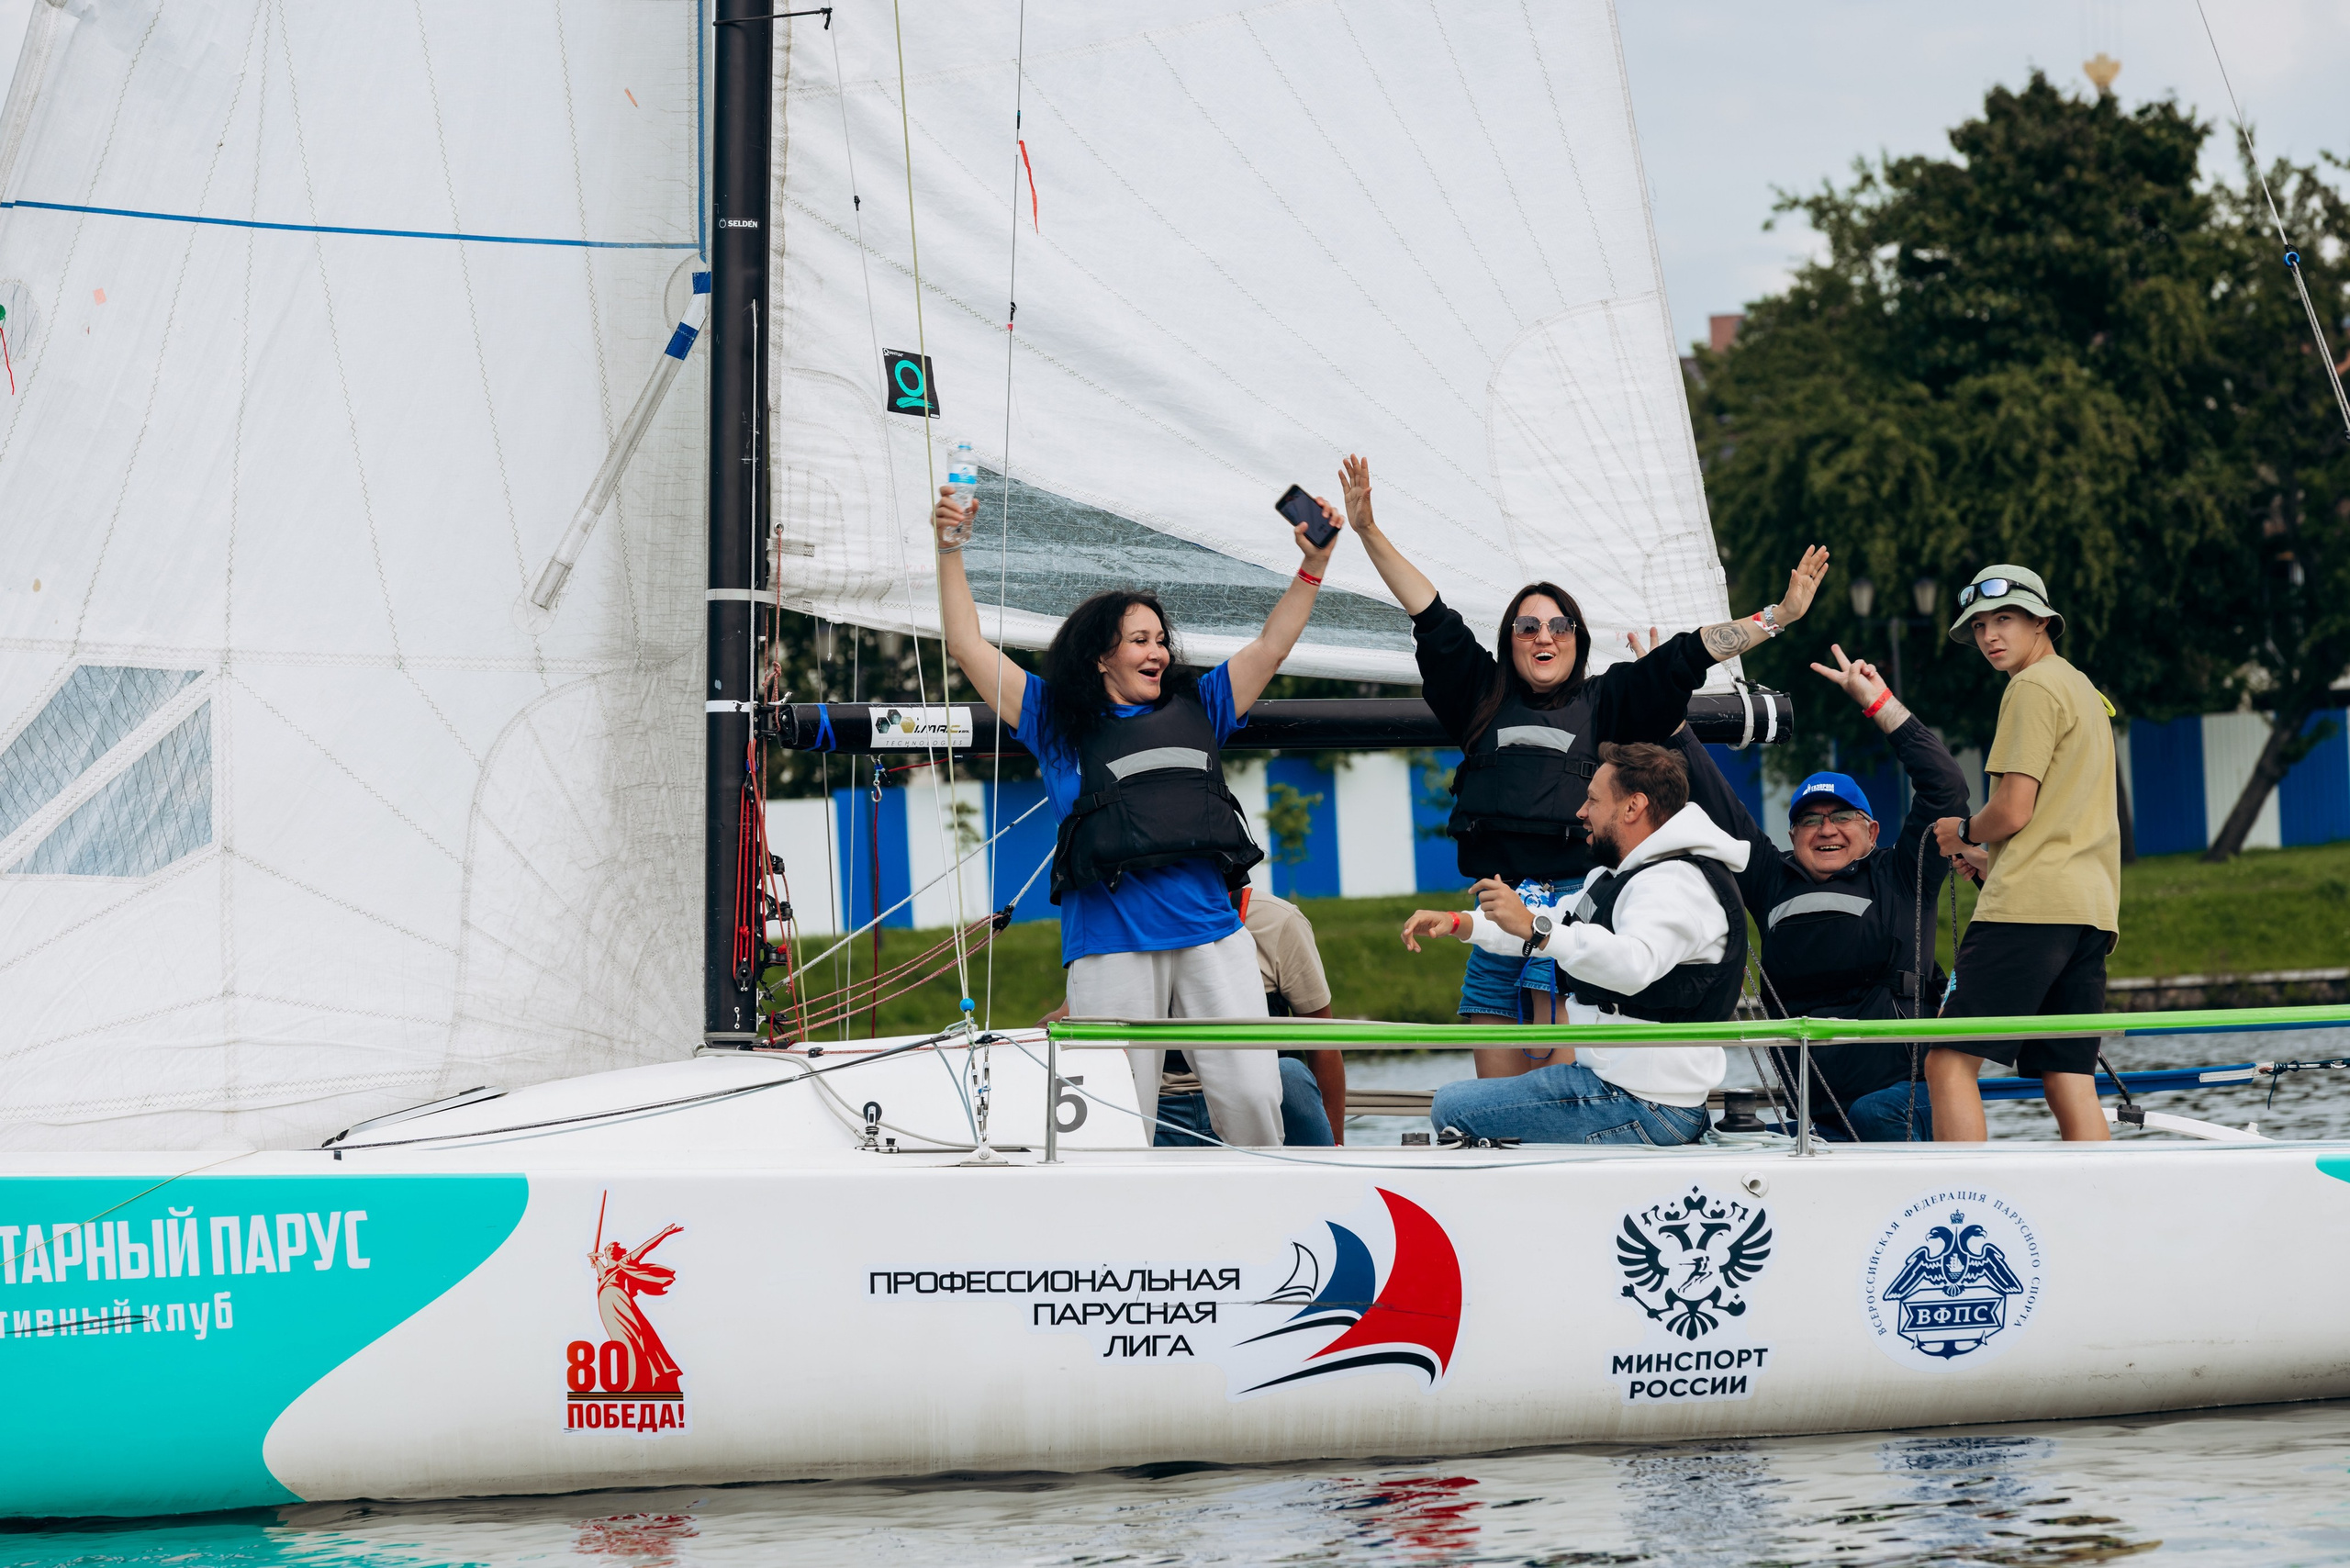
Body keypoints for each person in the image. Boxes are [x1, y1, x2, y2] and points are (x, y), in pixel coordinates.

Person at [1339, 454, 1828, 1076]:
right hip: (1496, 908)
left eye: (1559, 625)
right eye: (1527, 626)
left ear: (1577, 636)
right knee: (1495, 1107)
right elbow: (1429, 614)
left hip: (1576, 913)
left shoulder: (1612, 701)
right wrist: (1367, 532)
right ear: (1510, 639)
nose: (1544, 637)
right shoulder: (1479, 698)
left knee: (1556, 1089)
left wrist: (1777, 618)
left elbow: (1685, 656)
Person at [934, 481, 1342, 1148]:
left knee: (1254, 1096)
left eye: (1161, 640)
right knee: (1116, 1119)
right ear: (1101, 656)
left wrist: (1313, 567)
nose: (1158, 652)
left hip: (1211, 934)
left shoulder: (1205, 705)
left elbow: (1272, 646)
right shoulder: (1053, 720)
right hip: (1111, 943)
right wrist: (950, 548)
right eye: (1139, 641)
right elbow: (967, 646)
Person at [1680, 645, 1972, 1141]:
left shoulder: (1905, 871)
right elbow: (1715, 799)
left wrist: (1880, 704)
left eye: (1841, 817)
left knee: (1873, 1114)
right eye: (1810, 820)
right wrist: (1670, 713)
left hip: (1899, 1101)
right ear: (1792, 836)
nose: (1826, 829)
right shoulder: (1770, 878)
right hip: (1816, 1119)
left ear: (1873, 831)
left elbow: (1946, 792)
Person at [1398, 742, 1750, 1145]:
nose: (1581, 813)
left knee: (1453, 1108)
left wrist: (1536, 929)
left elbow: (1634, 964)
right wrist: (1460, 923)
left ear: (1633, 807)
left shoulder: (1672, 883)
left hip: (1648, 1106)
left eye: (1592, 800)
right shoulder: (1621, 877)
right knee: (1458, 1105)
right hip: (1625, 1090)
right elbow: (1547, 926)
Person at [1928, 566, 2121, 1143]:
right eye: (1981, 625)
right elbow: (2064, 816)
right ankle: (2104, 1206)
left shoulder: (2031, 688)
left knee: (1947, 1059)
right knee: (2068, 1075)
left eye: (2004, 619)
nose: (1990, 636)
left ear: (2042, 621)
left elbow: (2012, 810)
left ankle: (1962, 1209)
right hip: (2088, 910)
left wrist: (1961, 829)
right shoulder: (2083, 690)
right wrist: (1998, 863)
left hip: (2029, 909)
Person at [1148, 890, 1346, 1147]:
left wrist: (1337, 1147)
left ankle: (1325, 1177)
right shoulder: (1121, 924)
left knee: (1291, 1075)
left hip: (1258, 1101)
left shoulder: (1278, 920)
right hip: (1158, 1107)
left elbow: (1324, 1043)